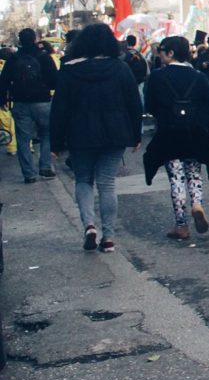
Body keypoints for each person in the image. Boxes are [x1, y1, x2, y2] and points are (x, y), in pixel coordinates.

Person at [49, 22, 142, 253]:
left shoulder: (69, 70)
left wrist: (56, 142)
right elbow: (134, 103)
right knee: (107, 183)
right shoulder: (121, 68)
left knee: (83, 180)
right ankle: (108, 237)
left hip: (80, 135)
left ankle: (89, 225)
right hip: (115, 133)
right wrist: (136, 134)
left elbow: (59, 109)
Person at [143, 36, 209, 241]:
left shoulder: (157, 76)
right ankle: (197, 205)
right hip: (194, 132)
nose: (159, 55)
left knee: (176, 177)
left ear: (170, 53)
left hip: (169, 132)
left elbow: (150, 105)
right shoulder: (199, 76)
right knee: (194, 173)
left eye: (161, 51)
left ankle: (181, 225)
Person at [0, 28, 59, 183]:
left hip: (20, 103)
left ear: (19, 41)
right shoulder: (44, 57)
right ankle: (45, 167)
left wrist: (3, 100)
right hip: (43, 102)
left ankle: (29, 174)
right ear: (35, 39)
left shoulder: (13, 59)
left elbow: (3, 81)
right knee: (46, 134)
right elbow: (55, 81)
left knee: (23, 139)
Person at [122, 34, 149, 107]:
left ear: (127, 42)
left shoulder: (123, 54)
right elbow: (147, 71)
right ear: (135, 43)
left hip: (127, 82)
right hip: (139, 81)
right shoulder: (140, 55)